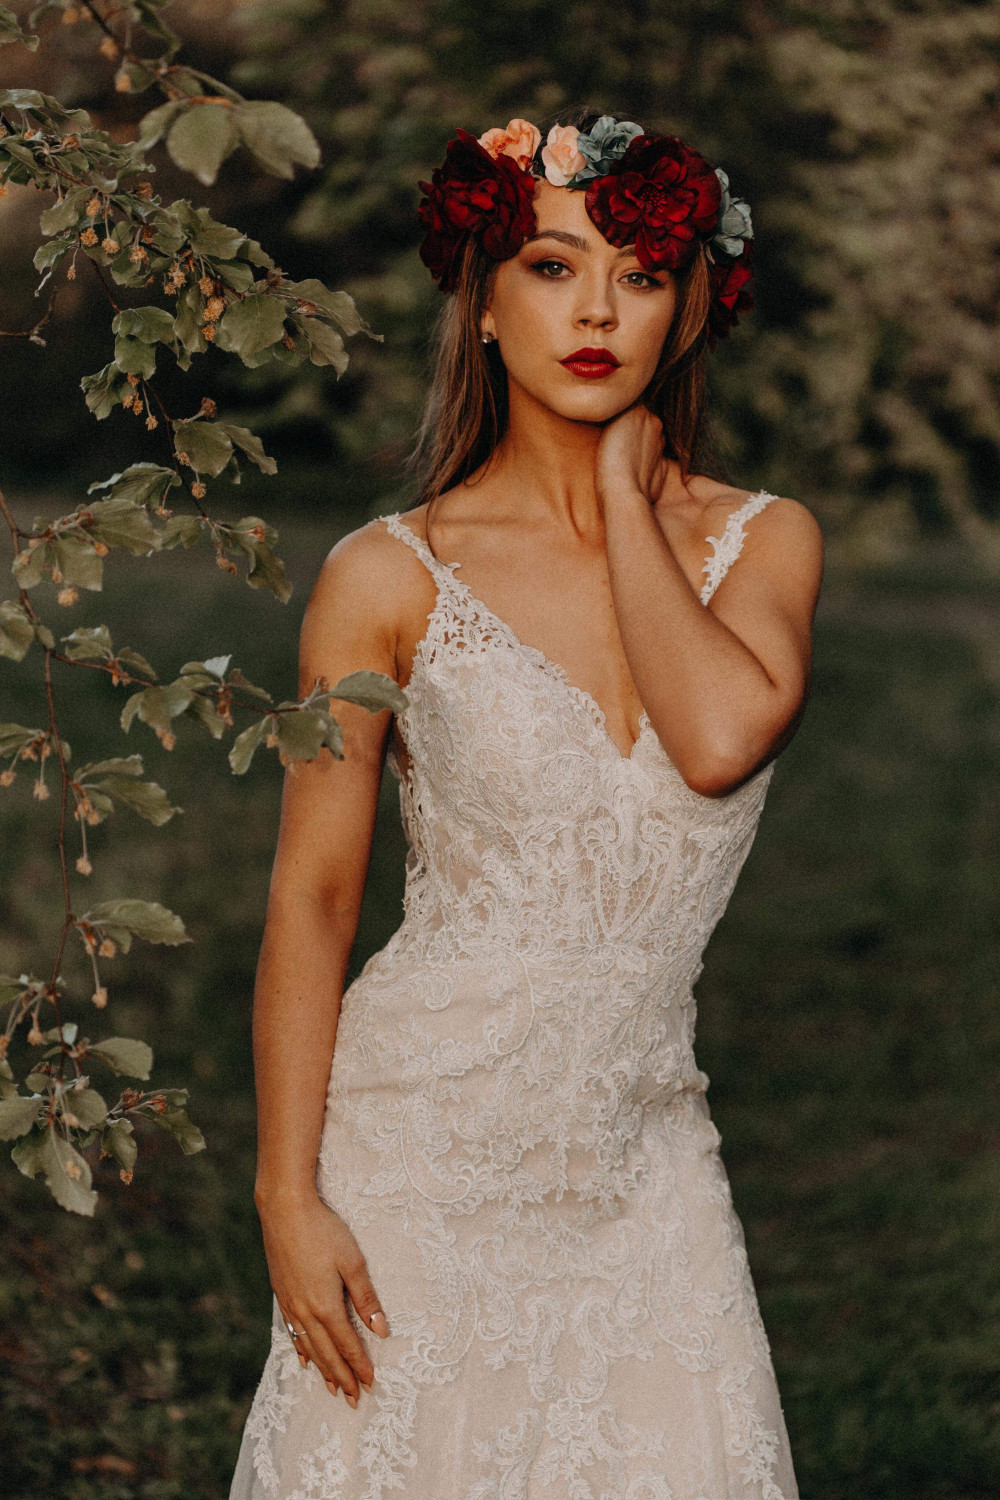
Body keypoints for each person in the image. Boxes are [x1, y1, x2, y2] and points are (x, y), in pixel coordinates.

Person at [229, 108, 823, 1500]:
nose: (597, 312)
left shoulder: (761, 541)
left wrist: (624, 491)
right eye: (553, 269)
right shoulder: (386, 577)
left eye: (640, 273)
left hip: (646, 1161)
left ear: (688, 308)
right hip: (415, 1150)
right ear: (484, 306)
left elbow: (723, 734)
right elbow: (314, 902)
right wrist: (285, 1194)